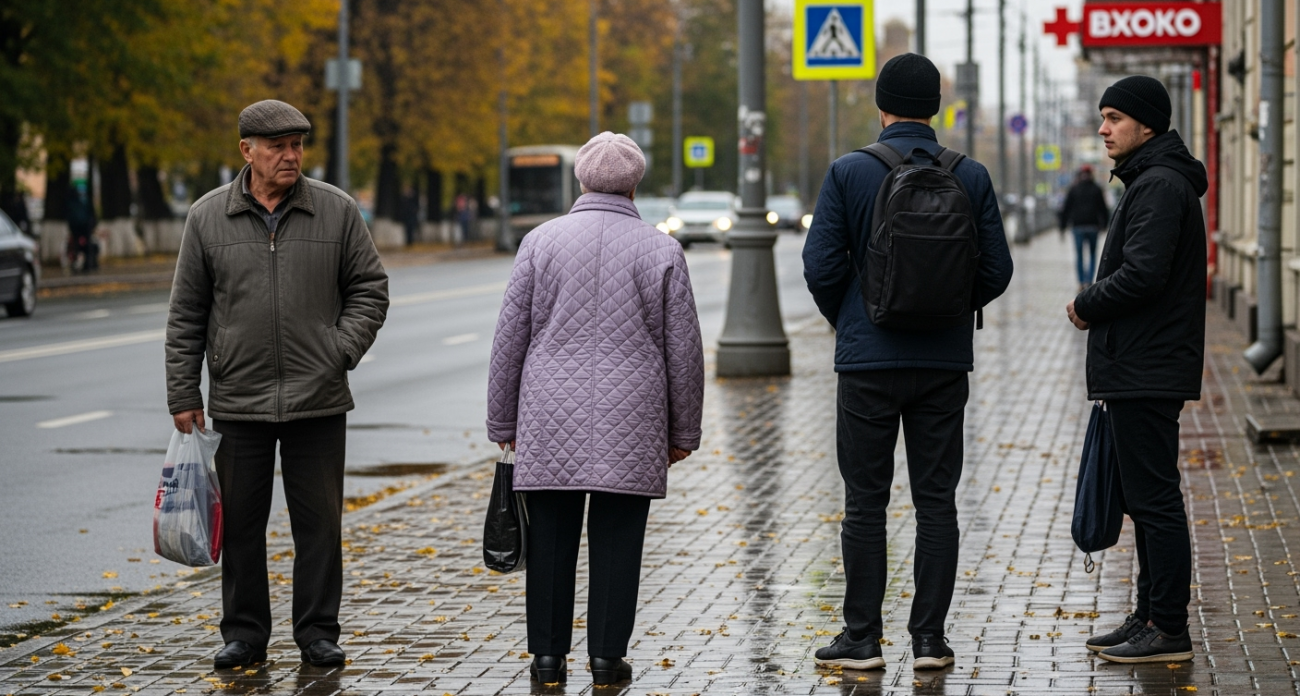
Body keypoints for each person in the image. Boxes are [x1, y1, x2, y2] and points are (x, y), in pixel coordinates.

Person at [802, 53, 1014, 671]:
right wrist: (949, 308)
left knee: (865, 501)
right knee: (937, 501)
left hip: (867, 363)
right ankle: (929, 642)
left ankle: (862, 639)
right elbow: (997, 270)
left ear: (881, 104)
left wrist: (852, 319)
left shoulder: (849, 171)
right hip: (944, 365)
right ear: (937, 108)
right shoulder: (969, 175)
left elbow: (820, 266)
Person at [165, 100, 389, 670]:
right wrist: (184, 394)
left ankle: (317, 633)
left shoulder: (335, 211)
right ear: (247, 151)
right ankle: (244, 635)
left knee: (319, 525)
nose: (290, 156)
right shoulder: (207, 217)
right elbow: (186, 313)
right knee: (241, 525)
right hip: (239, 400)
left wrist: (338, 351)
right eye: (277, 146)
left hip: (319, 399)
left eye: (297, 145)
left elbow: (371, 289)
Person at [486, 131, 704, 686]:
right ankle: (607, 657)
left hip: (548, 414)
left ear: (580, 180)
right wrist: (684, 431)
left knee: (551, 538)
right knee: (618, 541)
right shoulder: (661, 249)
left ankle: (547, 658)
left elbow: (510, 338)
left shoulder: (540, 242)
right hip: (631, 417)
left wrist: (502, 421)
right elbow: (683, 351)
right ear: (635, 184)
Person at [1066, 75, 1207, 664]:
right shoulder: (1154, 181)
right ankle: (1149, 615)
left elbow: (1143, 274)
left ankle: (1168, 626)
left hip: (1147, 365)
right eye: (1103, 117)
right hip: (1143, 363)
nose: (1104, 129)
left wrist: (1086, 302)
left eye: (1115, 118)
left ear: (1146, 125)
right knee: (1145, 500)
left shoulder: (1159, 186)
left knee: (1155, 500)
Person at [1059, 164, 1110, 289]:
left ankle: (1081, 282)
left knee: (1079, 255)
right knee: (1092, 254)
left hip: (1078, 227)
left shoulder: (1074, 189)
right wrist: (1105, 225)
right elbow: (1103, 209)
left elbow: (1066, 208)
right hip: (1093, 226)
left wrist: (1063, 227)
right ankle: (1089, 281)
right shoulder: (1097, 189)